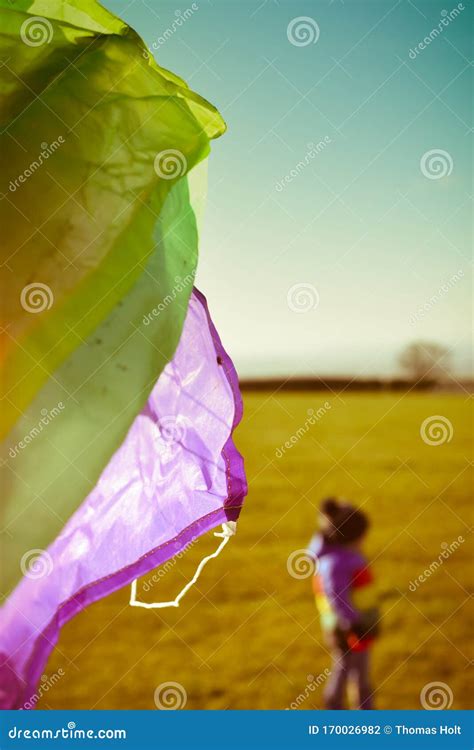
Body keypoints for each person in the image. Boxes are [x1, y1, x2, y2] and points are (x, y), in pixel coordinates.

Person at [307, 497, 379, 709]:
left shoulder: (345, 554)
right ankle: (335, 708)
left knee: (359, 670)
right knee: (345, 669)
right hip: (346, 629)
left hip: (359, 626)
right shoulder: (336, 563)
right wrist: (353, 622)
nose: (363, 541)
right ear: (349, 537)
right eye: (360, 537)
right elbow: (336, 596)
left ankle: (363, 709)